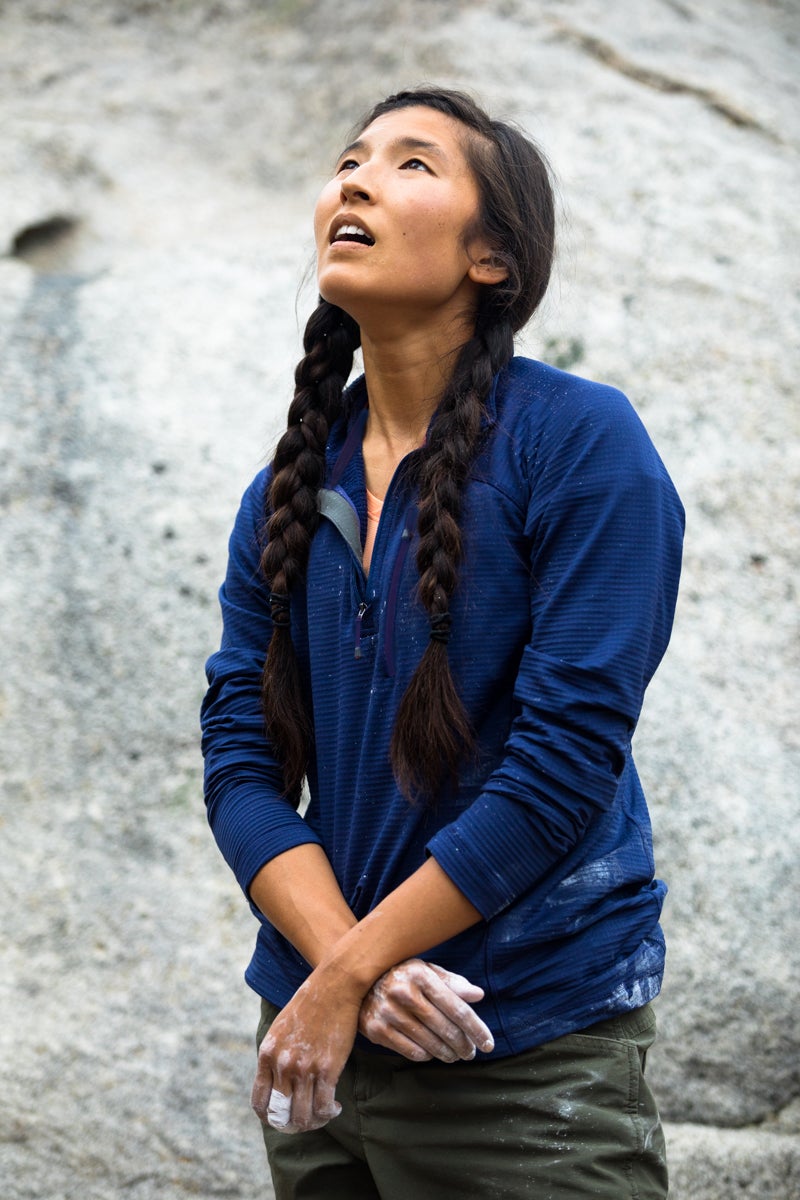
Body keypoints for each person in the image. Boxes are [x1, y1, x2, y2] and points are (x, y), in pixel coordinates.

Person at [201, 86, 684, 1200]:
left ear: (494, 260)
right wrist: (340, 975)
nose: (355, 181)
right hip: (318, 1055)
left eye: (412, 164)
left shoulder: (578, 444)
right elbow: (238, 761)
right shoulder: (285, 492)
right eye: (348, 161)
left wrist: (347, 973)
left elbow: (563, 766)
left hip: (514, 1057)